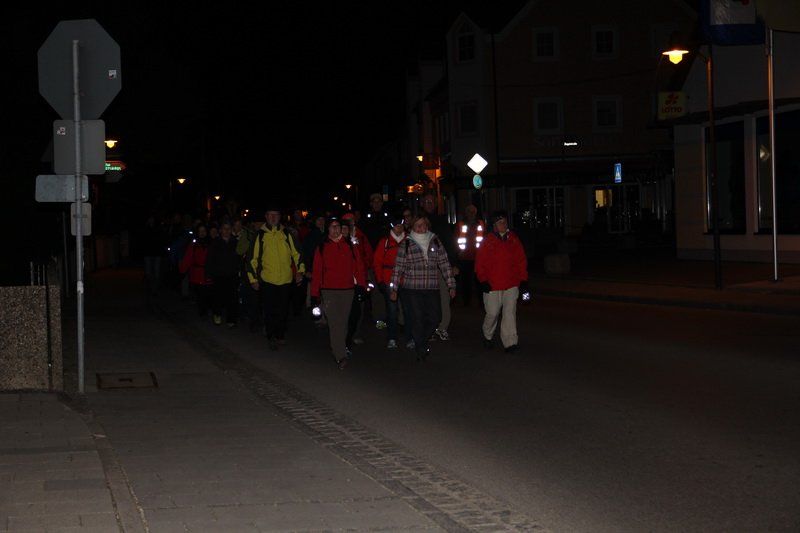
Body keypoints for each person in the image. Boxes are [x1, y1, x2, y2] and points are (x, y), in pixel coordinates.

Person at [390, 215, 455, 362]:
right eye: (418, 225)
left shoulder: (435, 241)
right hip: (412, 288)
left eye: (424, 225)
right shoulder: (407, 243)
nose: (421, 228)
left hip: (432, 287)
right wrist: (393, 288)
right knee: (417, 319)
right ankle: (421, 348)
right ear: (413, 227)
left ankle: (421, 341)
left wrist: (451, 284)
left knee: (435, 317)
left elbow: (444, 263)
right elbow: (398, 268)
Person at [310, 218, 366, 370]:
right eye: (332, 226)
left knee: (343, 322)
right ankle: (340, 355)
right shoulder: (322, 247)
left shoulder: (349, 246)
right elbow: (317, 271)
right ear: (328, 229)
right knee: (335, 323)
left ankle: (339, 347)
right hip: (329, 290)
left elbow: (358, 267)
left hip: (347, 290)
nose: (335, 229)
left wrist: (361, 286)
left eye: (337, 226)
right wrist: (314, 294)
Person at [247, 207, 305, 350]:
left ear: (280, 217)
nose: (273, 218)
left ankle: (280, 334)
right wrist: (253, 279)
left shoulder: (287, 233)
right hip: (268, 279)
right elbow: (252, 259)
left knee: (283, 310)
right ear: (266, 216)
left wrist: (300, 271)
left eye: (276, 215)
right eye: (270, 215)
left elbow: (297, 253)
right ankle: (271, 335)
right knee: (269, 310)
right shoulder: (260, 235)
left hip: (285, 279)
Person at [475, 211, 529, 353]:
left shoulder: (514, 240)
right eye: (500, 222)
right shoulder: (487, 241)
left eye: (505, 221)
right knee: (492, 313)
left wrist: (523, 280)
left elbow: (521, 261)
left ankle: (510, 342)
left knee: (509, 314)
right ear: (494, 225)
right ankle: (487, 335)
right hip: (492, 284)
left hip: (511, 284)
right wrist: (483, 280)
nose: (503, 224)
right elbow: (480, 263)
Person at [421, 193, 458, 340]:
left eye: (431, 202)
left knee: (444, 297)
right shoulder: (418, 221)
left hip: (440, 265)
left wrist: (453, 264)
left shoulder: (442, 221)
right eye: (426, 202)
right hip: (424, 267)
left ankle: (442, 327)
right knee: (427, 300)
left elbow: (450, 243)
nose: (429, 204)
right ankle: (429, 328)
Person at [374, 217, 413, 349]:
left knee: (408, 310)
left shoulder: (409, 240)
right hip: (389, 280)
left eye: (401, 225)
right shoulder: (384, 242)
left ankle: (410, 338)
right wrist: (380, 280)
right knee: (392, 311)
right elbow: (377, 262)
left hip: (406, 280)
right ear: (392, 227)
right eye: (396, 226)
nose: (399, 228)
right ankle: (392, 338)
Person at [206, 221, 240, 327]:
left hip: (232, 275)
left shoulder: (235, 242)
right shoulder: (215, 243)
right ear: (220, 230)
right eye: (224, 228)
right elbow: (210, 259)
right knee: (218, 297)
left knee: (232, 298)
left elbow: (239, 258)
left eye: (228, 228)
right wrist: (209, 274)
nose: (227, 231)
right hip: (218, 275)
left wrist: (238, 270)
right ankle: (217, 314)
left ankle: (231, 319)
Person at [179, 224, 213, 317]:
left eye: (204, 231)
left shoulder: (211, 243)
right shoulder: (194, 244)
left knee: (208, 293)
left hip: (208, 273)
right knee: (200, 294)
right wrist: (182, 270)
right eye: (200, 231)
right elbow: (188, 258)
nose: (202, 233)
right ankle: (202, 311)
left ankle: (207, 309)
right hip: (197, 274)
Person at [455, 204, 484, 307]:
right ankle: (466, 302)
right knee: (465, 281)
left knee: (479, 280)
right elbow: (455, 239)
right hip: (465, 257)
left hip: (478, 257)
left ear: (475, 213)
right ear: (466, 213)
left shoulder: (481, 223)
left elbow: (485, 238)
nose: (471, 214)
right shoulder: (460, 224)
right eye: (469, 212)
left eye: (473, 212)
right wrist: (458, 253)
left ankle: (481, 301)